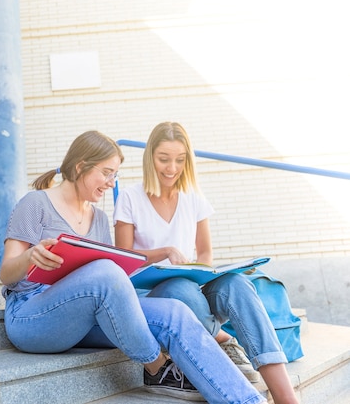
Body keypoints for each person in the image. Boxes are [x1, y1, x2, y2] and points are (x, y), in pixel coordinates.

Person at [0, 130, 267, 403]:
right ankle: (157, 368)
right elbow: (6, 274)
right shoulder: (35, 204)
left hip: (86, 317)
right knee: (105, 271)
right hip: (31, 316)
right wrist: (31, 255)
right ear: (80, 166)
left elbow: (109, 286)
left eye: (115, 174)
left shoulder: (99, 219)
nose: (110, 182)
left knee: (174, 312)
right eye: (106, 173)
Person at [113, 122, 299, 404]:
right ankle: (222, 338)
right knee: (179, 289)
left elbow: (205, 255)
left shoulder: (194, 198)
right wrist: (164, 251)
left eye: (180, 160)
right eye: (164, 159)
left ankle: (286, 398)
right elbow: (122, 260)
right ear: (150, 156)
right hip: (153, 296)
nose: (172, 168)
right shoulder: (130, 197)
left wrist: (204, 273)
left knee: (236, 284)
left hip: (193, 290)